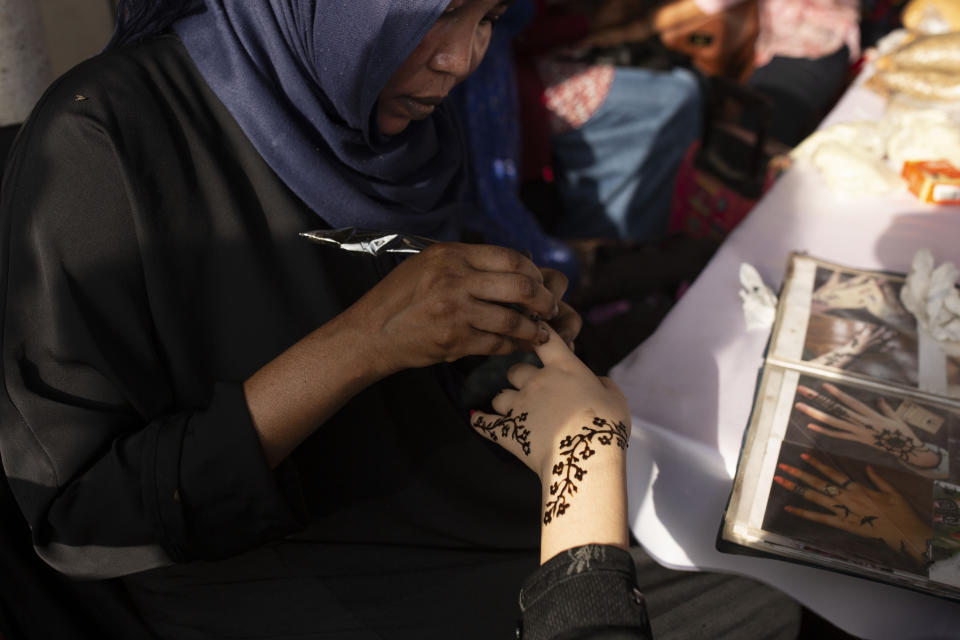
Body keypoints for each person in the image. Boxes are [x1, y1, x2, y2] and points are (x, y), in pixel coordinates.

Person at [0, 1, 593, 638]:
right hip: (272, 584)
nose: (462, 59)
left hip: (454, 513)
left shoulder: (393, 126)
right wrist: (366, 341)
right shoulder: (105, 137)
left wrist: (491, 328)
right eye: (439, 13)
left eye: (488, 17)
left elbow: (391, 366)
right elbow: (85, 512)